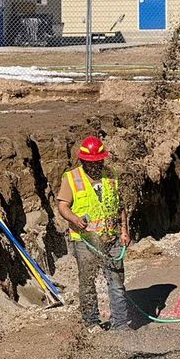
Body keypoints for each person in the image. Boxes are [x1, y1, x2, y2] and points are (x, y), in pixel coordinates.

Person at [57, 136, 131, 333]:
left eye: (99, 161)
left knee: (116, 281)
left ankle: (120, 324)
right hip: (86, 240)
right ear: (82, 160)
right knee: (88, 282)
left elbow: (120, 207)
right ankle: (92, 323)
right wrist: (74, 218)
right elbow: (63, 206)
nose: (96, 165)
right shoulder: (71, 178)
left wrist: (124, 231)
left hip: (111, 237)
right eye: (92, 162)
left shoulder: (111, 175)